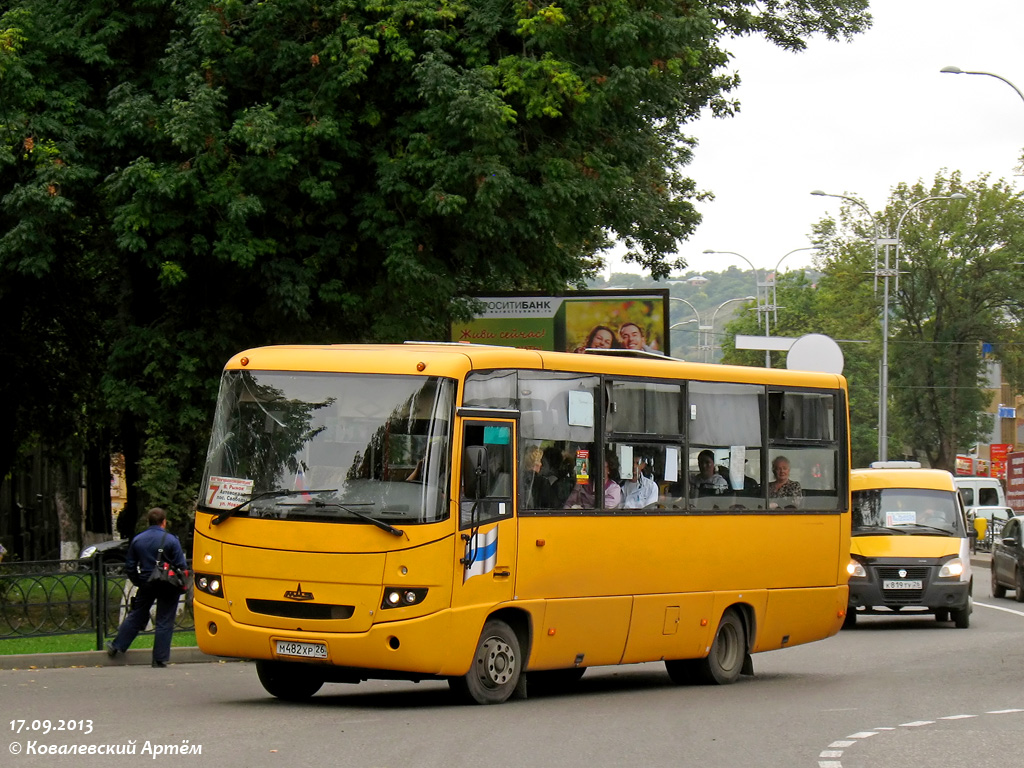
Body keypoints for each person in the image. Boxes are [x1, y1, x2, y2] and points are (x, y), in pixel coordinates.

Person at [106, 507, 188, 668]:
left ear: (148, 521)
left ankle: (117, 646)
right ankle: (159, 659)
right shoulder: (171, 540)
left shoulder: (138, 539)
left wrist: (138, 581)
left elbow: (130, 566)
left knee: (137, 613)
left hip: (146, 582)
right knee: (165, 619)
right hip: (168, 583)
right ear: (164, 522)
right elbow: (181, 564)